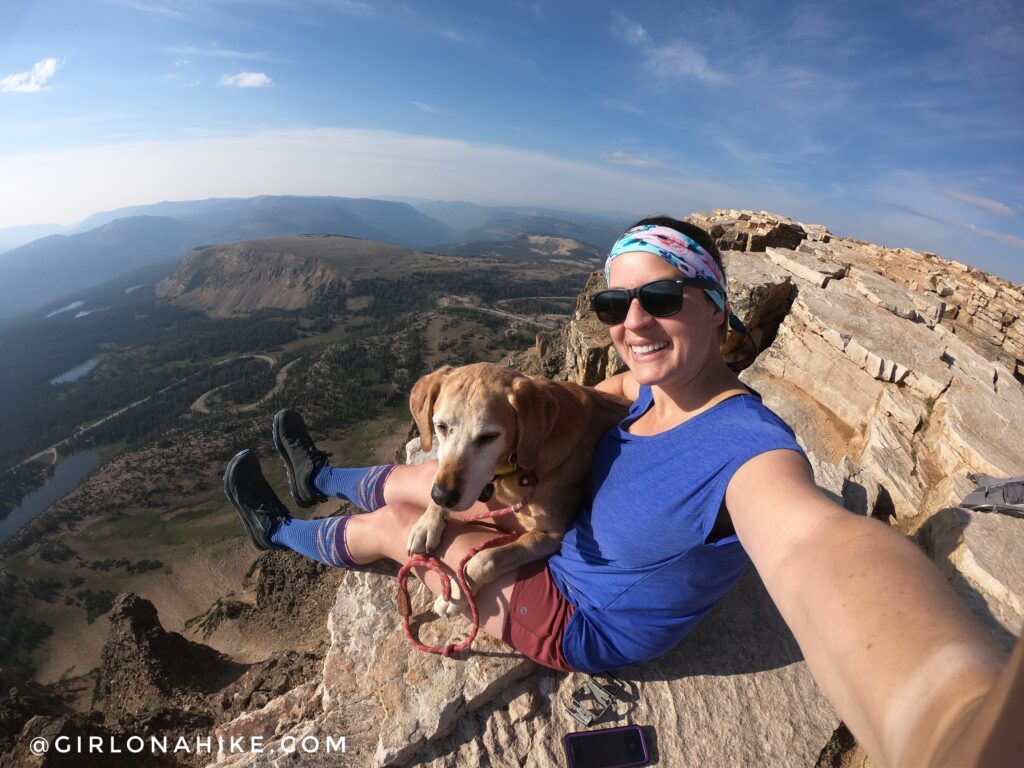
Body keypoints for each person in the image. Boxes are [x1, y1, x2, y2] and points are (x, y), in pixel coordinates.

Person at [224, 216, 1022, 765]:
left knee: (406, 529)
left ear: (717, 310)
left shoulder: (748, 450)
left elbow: (818, 546)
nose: (633, 321)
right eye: (615, 303)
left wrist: (955, 721)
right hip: (556, 531)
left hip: (586, 615)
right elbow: (574, 406)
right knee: (423, 483)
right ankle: (321, 477)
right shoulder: (639, 388)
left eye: (663, 299)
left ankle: (286, 535)